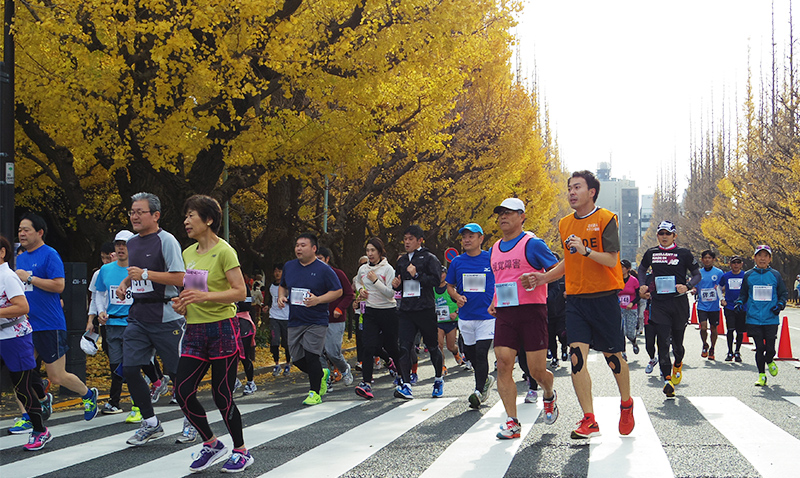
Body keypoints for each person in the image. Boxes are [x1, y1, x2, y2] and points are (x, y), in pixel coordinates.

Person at [526, 171, 634, 439]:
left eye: (577, 187)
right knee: (576, 358)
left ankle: (626, 403)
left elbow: (611, 260)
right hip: (575, 300)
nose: (572, 192)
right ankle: (589, 419)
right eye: (569, 188)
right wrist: (544, 278)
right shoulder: (565, 224)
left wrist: (586, 250)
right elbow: (568, 262)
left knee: (613, 358)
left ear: (592, 192)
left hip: (604, 298)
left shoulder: (606, 219)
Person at [171, 195, 253, 472]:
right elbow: (190, 292)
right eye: (185, 216)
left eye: (191, 215)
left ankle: (241, 450)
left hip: (222, 329)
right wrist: (182, 303)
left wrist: (203, 297)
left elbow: (240, 292)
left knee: (222, 395)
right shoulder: (188, 253)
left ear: (208, 220)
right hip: (194, 330)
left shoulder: (225, 251)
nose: (186, 221)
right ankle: (211, 442)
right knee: (182, 392)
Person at [15, 213, 98, 431]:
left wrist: (30, 278)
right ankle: (28, 414)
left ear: (39, 232)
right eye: (20, 230)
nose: (22, 233)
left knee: (56, 375)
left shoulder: (50, 255)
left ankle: (88, 395)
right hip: (25, 324)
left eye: (26, 230)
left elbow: (59, 286)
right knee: (20, 371)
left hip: (49, 324)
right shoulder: (20, 258)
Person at [115, 193, 186, 446]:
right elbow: (135, 275)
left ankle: (191, 421)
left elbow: (180, 278)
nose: (134, 216)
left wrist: (146, 273)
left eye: (139, 212)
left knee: (178, 374)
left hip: (166, 315)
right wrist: (125, 283)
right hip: (138, 315)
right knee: (131, 369)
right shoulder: (132, 243)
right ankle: (150, 423)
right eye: (132, 212)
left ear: (155, 215)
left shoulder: (166, 241)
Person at [488, 198, 559, 439]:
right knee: (503, 362)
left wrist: (540, 278)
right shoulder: (495, 248)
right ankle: (512, 421)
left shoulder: (533, 244)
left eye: (508, 213)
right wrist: (493, 301)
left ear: (522, 217)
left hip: (532, 311)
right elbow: (501, 278)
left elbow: (558, 269)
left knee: (536, 371)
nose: (503, 217)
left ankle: (548, 393)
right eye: (500, 214)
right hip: (506, 312)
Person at [637, 220, 700, 399]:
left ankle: (678, 363)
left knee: (677, 344)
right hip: (659, 304)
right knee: (662, 343)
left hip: (679, 303)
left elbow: (697, 274)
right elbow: (641, 270)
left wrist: (687, 286)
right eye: (661, 234)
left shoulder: (684, 253)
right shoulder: (651, 253)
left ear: (674, 236)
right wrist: (642, 285)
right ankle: (667, 381)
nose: (664, 237)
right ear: (657, 235)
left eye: (667, 234)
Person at [278, 233, 343, 405]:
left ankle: (314, 393)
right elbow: (283, 286)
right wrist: (281, 297)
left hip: (316, 319)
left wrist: (318, 300)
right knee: (297, 358)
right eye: (297, 245)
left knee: (312, 354)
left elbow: (338, 291)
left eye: (303, 245)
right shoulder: (290, 266)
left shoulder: (324, 269)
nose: (298, 248)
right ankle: (321, 374)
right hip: (295, 319)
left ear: (314, 249)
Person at [0, 234, 52, 450]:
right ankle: (40, 387)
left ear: (2, 252)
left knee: (21, 388)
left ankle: (41, 430)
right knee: (27, 382)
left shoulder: (7, 277)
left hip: (15, 337)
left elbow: (23, 307)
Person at [446, 223, 496, 409]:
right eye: (464, 237)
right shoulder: (457, 262)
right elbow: (449, 286)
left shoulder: (491, 259)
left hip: (486, 316)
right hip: (466, 317)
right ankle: (486, 379)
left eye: (471, 236)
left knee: (482, 353)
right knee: (470, 354)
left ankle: (478, 391)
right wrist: (457, 297)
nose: (466, 240)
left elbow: (501, 279)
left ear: (481, 239)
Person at [391, 226, 444, 400]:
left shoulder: (430, 258)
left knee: (433, 347)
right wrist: (396, 283)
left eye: (410, 239)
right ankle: (406, 385)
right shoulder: (402, 260)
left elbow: (436, 281)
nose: (407, 242)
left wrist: (417, 275)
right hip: (406, 309)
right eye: (405, 239)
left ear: (420, 240)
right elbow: (399, 282)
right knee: (404, 347)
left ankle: (438, 379)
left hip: (425, 309)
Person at [90, 230, 135, 415]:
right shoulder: (105, 270)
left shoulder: (138, 269)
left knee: (132, 365)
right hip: (112, 325)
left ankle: (138, 404)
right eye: (118, 244)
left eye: (125, 244)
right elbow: (99, 294)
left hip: (134, 324)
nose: (121, 247)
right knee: (116, 366)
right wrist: (100, 311)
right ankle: (116, 402)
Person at [353, 238, 401, 399]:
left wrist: (375, 281)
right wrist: (361, 290)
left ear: (380, 252)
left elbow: (390, 293)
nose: (370, 254)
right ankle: (366, 383)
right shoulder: (363, 269)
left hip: (387, 311)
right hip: (370, 311)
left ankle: (402, 376)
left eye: (373, 250)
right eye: (368, 250)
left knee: (392, 346)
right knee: (368, 346)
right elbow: (358, 282)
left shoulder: (388, 269)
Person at [734, 245, 788, 386]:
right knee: (759, 348)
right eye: (759, 255)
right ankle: (761, 375)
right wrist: (739, 302)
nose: (762, 258)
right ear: (755, 258)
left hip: (771, 317)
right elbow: (744, 294)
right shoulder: (748, 275)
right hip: (754, 318)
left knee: (770, 348)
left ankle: (769, 360)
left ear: (770, 258)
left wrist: (780, 305)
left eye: (765, 256)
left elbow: (783, 293)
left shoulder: (775, 275)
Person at [315, 246, 355, 389]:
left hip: (335, 319)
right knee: (317, 351)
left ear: (327, 259)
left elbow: (349, 294)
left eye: (320, 259)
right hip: (317, 319)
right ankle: (325, 380)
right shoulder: (312, 275)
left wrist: (340, 308)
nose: (317, 262)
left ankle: (344, 369)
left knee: (333, 352)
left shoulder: (338, 274)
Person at [693, 250, 723, 360]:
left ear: (713, 259)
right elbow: (695, 286)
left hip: (714, 306)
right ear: (702, 260)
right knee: (703, 327)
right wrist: (693, 290)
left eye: (709, 258)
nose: (707, 260)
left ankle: (712, 348)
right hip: (702, 305)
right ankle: (705, 344)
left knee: (714, 328)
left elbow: (723, 286)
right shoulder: (698, 273)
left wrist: (720, 289)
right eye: (705, 258)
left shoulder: (719, 273)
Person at [435, 266, 462, 376]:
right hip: (438, 322)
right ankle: (442, 365)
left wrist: (456, 313)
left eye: (443, 273)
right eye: (439, 273)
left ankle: (456, 353)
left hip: (451, 322)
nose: (441, 275)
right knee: (439, 345)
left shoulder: (450, 289)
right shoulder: (432, 288)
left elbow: (461, 303)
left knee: (450, 346)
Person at [720, 256, 746, 362]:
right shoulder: (726, 276)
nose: (736, 265)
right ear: (730, 264)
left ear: (741, 264)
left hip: (742, 307)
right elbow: (718, 287)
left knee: (740, 331)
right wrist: (722, 299)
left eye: (738, 262)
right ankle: (730, 351)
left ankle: (737, 351)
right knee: (730, 329)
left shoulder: (745, 275)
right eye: (734, 262)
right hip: (729, 306)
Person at [268, 263, 291, 376]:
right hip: (274, 316)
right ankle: (276, 364)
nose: (277, 273)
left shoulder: (288, 286)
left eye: (279, 271)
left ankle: (287, 364)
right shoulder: (271, 286)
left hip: (286, 317)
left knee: (286, 342)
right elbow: (269, 300)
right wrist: (266, 306)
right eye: (275, 271)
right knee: (274, 340)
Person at [235, 286, 258, 395]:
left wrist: (233, 303)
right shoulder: (222, 285)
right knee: (230, 355)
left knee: (244, 355)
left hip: (244, 323)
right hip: (228, 322)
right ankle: (234, 381)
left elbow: (247, 305)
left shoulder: (243, 286)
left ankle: (250, 382)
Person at [546, 258, 568, 369]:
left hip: (561, 312)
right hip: (548, 313)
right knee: (550, 337)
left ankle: (564, 348)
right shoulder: (545, 278)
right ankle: (555, 357)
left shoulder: (564, 277)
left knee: (562, 334)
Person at [618, 260, 640, 360]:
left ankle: (634, 341)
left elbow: (639, 295)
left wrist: (632, 303)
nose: (620, 269)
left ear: (628, 269)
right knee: (621, 331)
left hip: (631, 308)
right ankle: (623, 352)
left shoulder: (634, 280)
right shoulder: (616, 279)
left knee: (629, 332)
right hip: (619, 309)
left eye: (622, 267)